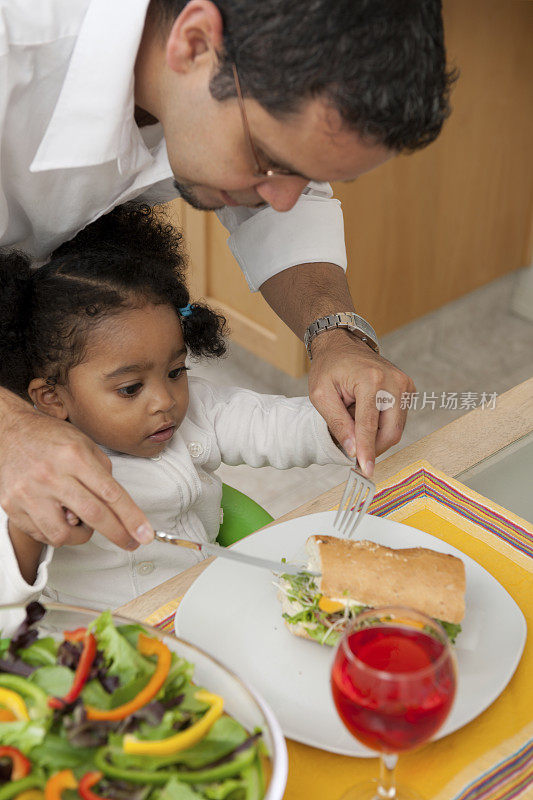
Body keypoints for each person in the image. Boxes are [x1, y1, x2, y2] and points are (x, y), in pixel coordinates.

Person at [0, 0, 454, 553]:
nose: (285, 201)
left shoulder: (229, 86)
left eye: (307, 175)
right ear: (193, 43)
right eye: (266, 158)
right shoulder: (15, 53)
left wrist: (336, 335)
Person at [0, 204, 353, 609]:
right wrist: (28, 533)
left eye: (175, 371)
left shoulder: (196, 411)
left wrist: (337, 421)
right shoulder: (35, 471)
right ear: (53, 398)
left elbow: (267, 424)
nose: (165, 400)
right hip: (100, 645)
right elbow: (10, 587)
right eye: (131, 388)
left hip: (203, 600)